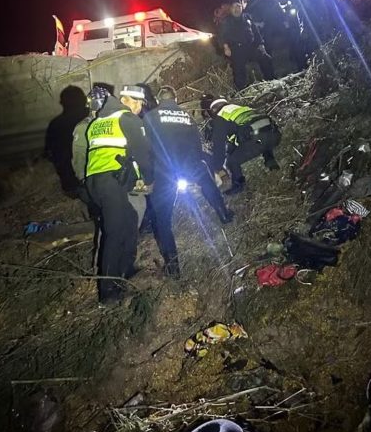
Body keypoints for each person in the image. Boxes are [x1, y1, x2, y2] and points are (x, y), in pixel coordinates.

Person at [144, 86, 234, 278]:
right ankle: (224, 214)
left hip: (164, 169)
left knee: (163, 219)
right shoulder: (186, 116)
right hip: (190, 162)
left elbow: (147, 146)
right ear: (175, 99)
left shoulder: (151, 116)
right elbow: (196, 143)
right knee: (208, 184)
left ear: (159, 100)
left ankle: (173, 267)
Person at [84, 85, 153, 303]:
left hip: (95, 182)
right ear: (127, 101)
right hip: (110, 182)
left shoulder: (98, 122)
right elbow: (143, 154)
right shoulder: (127, 119)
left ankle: (126, 268)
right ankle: (108, 292)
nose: (140, 108)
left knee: (130, 219)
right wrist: (149, 180)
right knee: (114, 234)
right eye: (138, 103)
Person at [203, 96, 281, 195]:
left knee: (232, 160)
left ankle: (239, 185)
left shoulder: (221, 117)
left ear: (213, 110)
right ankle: (271, 162)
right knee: (260, 135)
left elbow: (219, 147)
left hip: (258, 140)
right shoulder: (240, 109)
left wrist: (217, 167)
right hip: (274, 135)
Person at [218, 2, 275, 90]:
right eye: (234, 7)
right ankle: (241, 90)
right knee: (239, 69)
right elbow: (222, 36)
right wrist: (226, 47)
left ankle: (272, 81)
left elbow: (256, 32)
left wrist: (261, 45)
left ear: (242, 7)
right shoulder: (226, 21)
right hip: (237, 49)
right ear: (230, 9)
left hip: (251, 47)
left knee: (266, 58)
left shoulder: (247, 17)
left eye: (238, 6)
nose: (236, 9)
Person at [45, 85, 89, 194]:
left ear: (62, 103)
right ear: (83, 100)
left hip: (71, 184)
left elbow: (49, 154)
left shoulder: (55, 125)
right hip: (93, 181)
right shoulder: (93, 118)